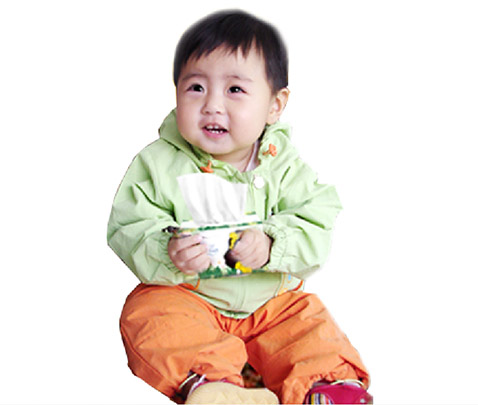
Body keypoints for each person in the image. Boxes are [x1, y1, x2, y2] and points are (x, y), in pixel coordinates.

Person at [107, 9, 372, 404]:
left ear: (274, 105)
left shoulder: (285, 166)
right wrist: (166, 249)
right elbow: (128, 224)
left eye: (234, 90)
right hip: (188, 296)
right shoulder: (157, 163)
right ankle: (216, 386)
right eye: (196, 87)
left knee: (308, 323)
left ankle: (324, 387)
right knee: (146, 313)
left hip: (272, 302)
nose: (212, 105)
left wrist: (272, 243)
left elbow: (317, 221)